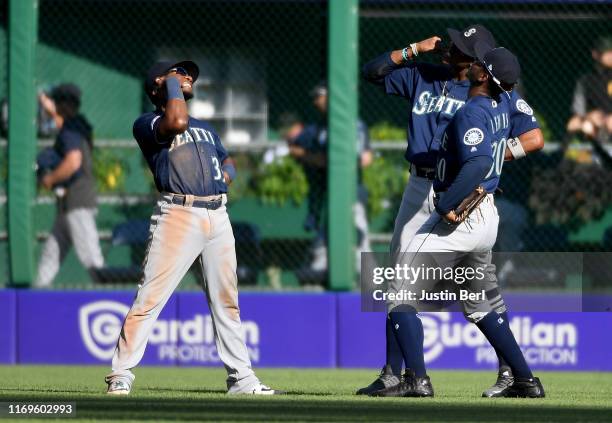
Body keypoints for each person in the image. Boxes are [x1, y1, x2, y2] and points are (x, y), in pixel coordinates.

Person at [358, 25, 544, 397]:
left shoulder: (493, 94)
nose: (449, 48)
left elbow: (533, 138)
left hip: (459, 194)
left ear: (479, 64)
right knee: (416, 279)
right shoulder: (426, 76)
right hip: (420, 186)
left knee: (408, 289)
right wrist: (413, 49)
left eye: (459, 48)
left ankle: (437, 377)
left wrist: (489, 160)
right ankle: (396, 373)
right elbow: (372, 72)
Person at [104, 60, 281, 395]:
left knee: (227, 300)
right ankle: (121, 373)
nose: (187, 77)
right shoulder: (149, 122)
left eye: (188, 75)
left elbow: (228, 161)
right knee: (150, 297)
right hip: (178, 213)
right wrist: (171, 84)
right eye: (178, 73)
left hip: (218, 214)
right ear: (159, 83)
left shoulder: (205, 127)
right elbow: (177, 120)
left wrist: (224, 178)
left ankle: (241, 378)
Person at [289, 82, 372, 285]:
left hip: (350, 189)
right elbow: (293, 143)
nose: (316, 101)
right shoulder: (319, 126)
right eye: (315, 97)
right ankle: (320, 279)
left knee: (359, 236)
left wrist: (314, 157)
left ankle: (371, 288)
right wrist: (307, 152)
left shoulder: (351, 123)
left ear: (330, 98)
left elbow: (362, 158)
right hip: (327, 192)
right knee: (325, 239)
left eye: (320, 96)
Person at [34, 84, 104, 287]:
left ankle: (111, 298)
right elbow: (62, 122)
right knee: (50, 258)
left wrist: (50, 179)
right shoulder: (77, 124)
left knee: (92, 260)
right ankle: (34, 303)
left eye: (57, 102)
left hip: (77, 202)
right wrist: (49, 108)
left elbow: (73, 161)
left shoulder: (71, 129)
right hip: (67, 205)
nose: (54, 105)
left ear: (64, 104)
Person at [566, 37, 612, 143]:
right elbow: (578, 112)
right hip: (597, 124)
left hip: (609, 121)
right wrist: (589, 116)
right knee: (578, 125)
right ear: (595, 54)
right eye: (607, 52)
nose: (611, 56)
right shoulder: (586, 80)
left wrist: (606, 118)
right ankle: (596, 157)